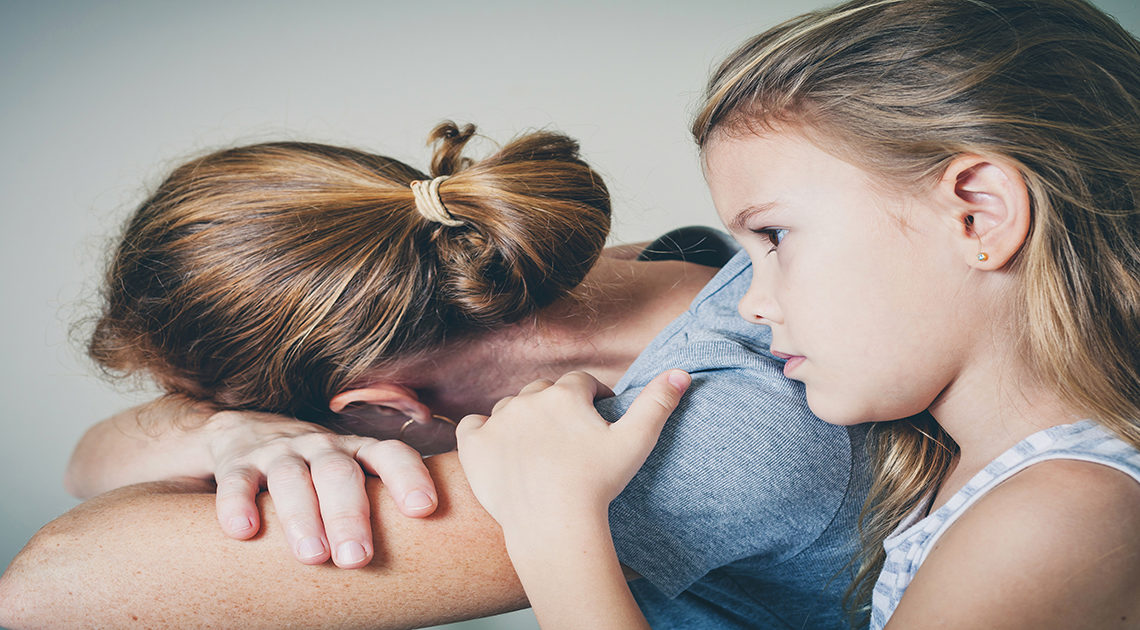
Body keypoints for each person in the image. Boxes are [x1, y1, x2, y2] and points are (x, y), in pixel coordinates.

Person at [0, 121, 868, 628]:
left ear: (378, 407)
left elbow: (49, 592)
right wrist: (227, 430)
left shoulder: (711, 431)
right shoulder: (659, 267)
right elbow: (91, 460)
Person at [454, 0, 1140, 628]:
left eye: (776, 238)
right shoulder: (975, 476)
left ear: (977, 214)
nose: (753, 302)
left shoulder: (1062, 515)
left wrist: (553, 525)